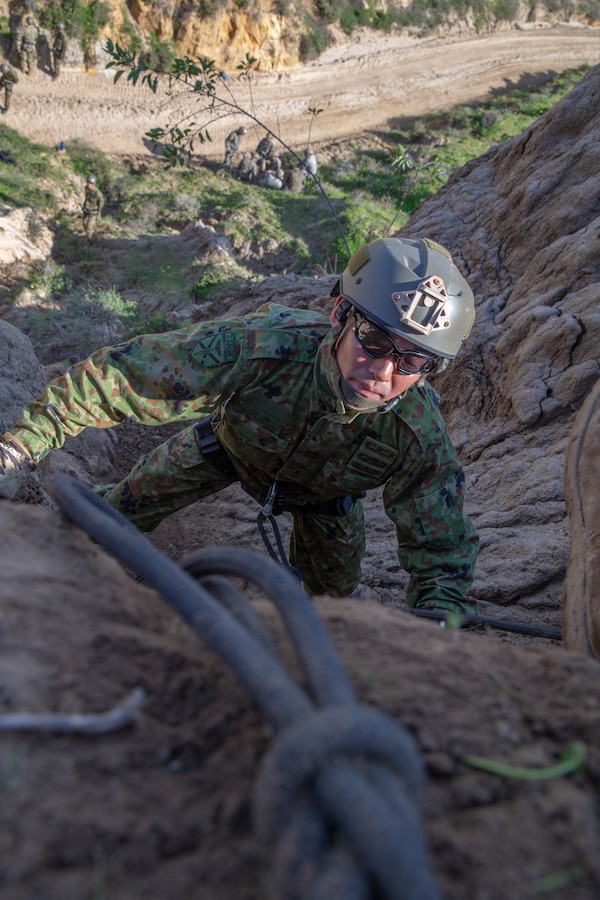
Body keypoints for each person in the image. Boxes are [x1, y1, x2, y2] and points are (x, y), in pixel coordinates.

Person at [0, 237, 479, 613]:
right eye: (374, 339)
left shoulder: (418, 430)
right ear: (340, 316)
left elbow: (441, 545)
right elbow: (128, 376)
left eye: (414, 358)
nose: (385, 370)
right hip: (223, 449)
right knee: (109, 520)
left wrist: (439, 619)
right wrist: (20, 448)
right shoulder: (265, 347)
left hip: (327, 504)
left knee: (333, 610)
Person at [82, 175, 104, 243]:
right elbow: (87, 198)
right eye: (88, 182)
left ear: (94, 184)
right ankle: (93, 238)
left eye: (91, 183)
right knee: (85, 223)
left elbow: (101, 201)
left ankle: (92, 242)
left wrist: (99, 212)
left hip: (94, 212)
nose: (89, 184)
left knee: (89, 228)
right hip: (87, 210)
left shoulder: (97, 193)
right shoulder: (86, 189)